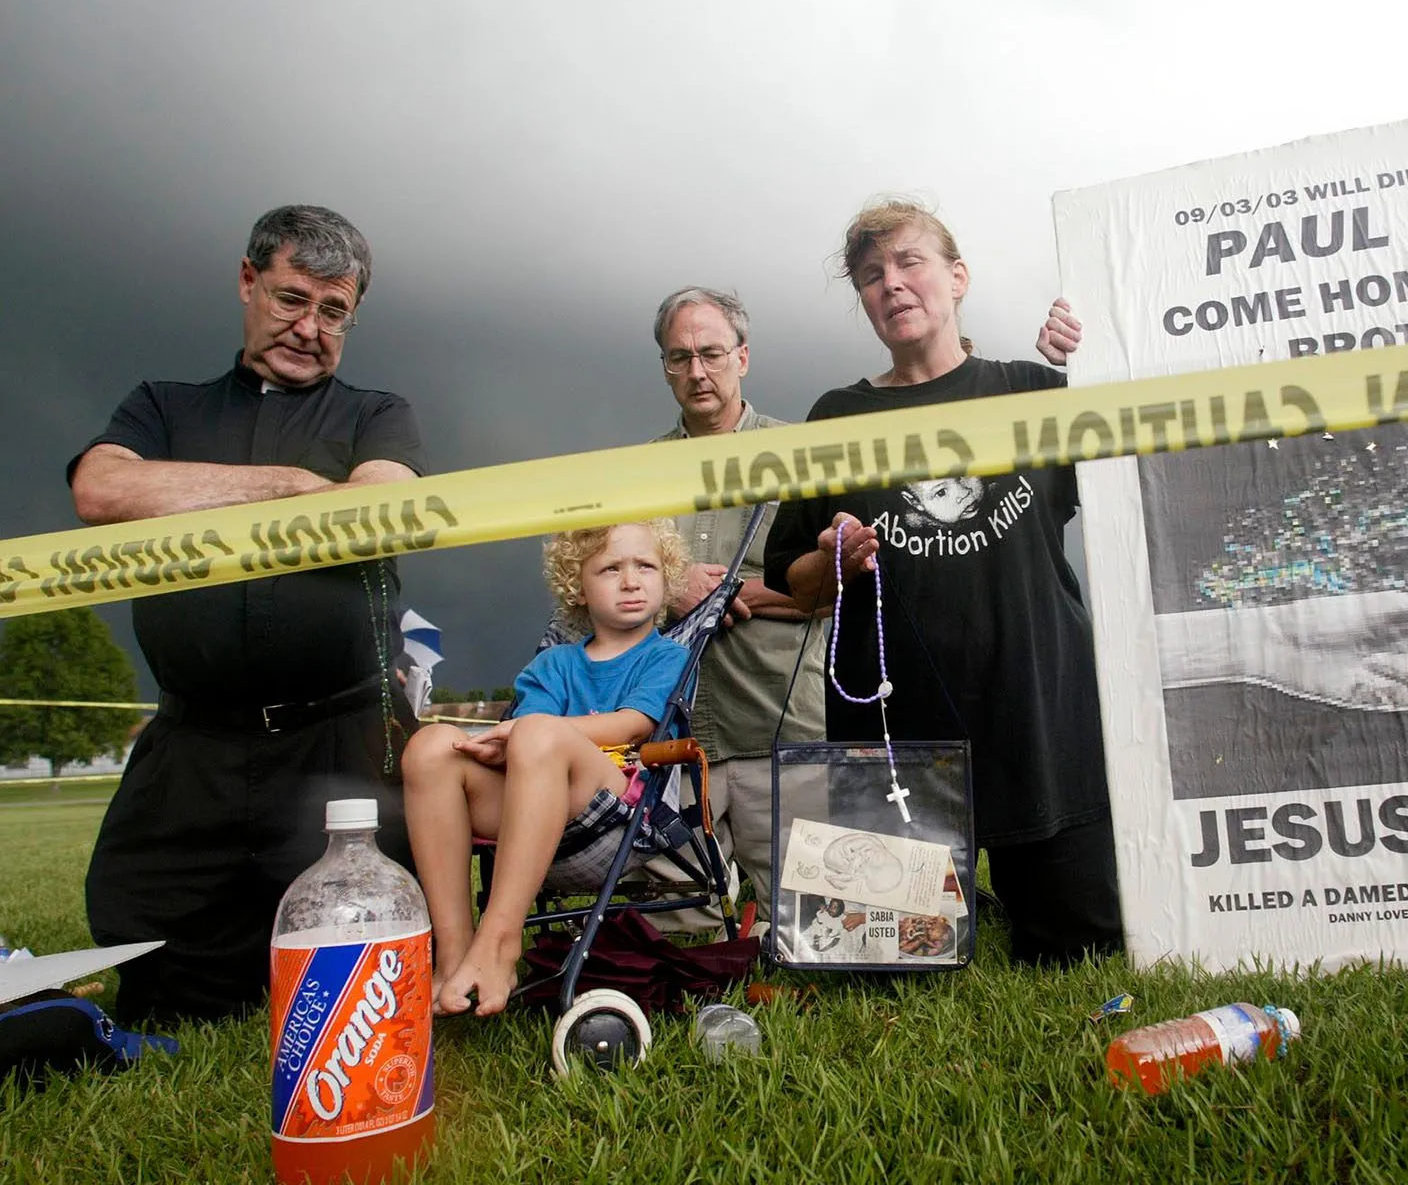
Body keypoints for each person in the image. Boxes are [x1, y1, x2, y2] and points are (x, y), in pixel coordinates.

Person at [68, 204, 425, 1024]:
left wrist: (189, 490)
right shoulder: (161, 405)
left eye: (333, 312)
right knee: (149, 962)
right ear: (247, 281)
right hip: (193, 746)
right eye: (293, 299)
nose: (309, 328)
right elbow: (102, 488)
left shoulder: (378, 413)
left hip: (340, 743)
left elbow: (379, 502)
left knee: (365, 960)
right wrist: (293, 486)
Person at [764, 198, 1124, 965]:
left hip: (1040, 717)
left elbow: (1139, 484)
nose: (890, 284)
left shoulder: (1033, 391)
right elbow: (792, 584)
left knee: (1081, 956)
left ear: (957, 278)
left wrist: (1088, 364)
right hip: (896, 737)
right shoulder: (836, 418)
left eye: (908, 262)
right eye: (870, 276)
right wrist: (830, 557)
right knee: (889, 970)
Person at [403, 521, 690, 1015]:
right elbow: (528, 744)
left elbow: (633, 725)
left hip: (618, 811)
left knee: (537, 729)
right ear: (577, 587)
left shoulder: (666, 655)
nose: (631, 580)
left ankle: (500, 941)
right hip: (535, 812)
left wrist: (524, 734)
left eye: (646, 566)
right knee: (430, 746)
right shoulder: (553, 664)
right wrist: (506, 743)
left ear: (666, 578)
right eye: (610, 569)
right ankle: (452, 952)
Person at [643, 287, 828, 926]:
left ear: (742, 357)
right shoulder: (635, 471)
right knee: (675, 927)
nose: (697, 371)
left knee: (810, 923)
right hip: (669, 731)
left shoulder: (798, 452)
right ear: (664, 366)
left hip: (777, 718)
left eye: (712, 353)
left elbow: (832, 587)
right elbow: (605, 589)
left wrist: (725, 593)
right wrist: (670, 590)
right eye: (679, 357)